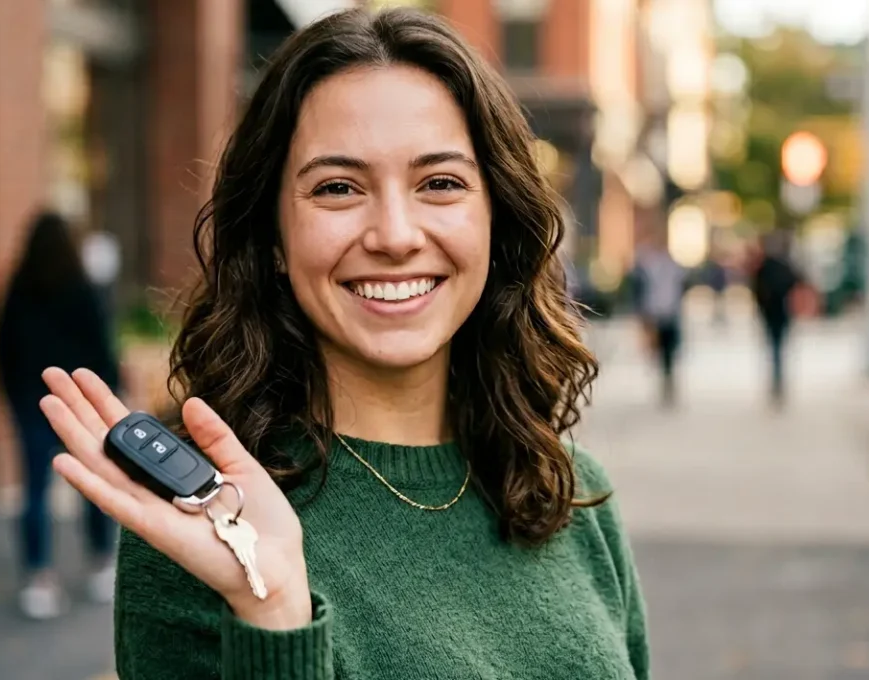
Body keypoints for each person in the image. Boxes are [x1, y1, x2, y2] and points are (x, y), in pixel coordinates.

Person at [36, 8, 649, 679]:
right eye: (337, 188)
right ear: (272, 236)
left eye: (439, 183)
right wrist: (270, 615)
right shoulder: (209, 522)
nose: (394, 234)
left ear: (495, 217)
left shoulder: (568, 485)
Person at [0, 210, 122, 620]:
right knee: (93, 485)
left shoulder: (18, 290)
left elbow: (1, 348)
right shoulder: (82, 288)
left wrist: (13, 396)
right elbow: (102, 347)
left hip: (33, 403)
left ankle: (38, 578)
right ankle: (102, 562)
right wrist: (111, 396)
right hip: (80, 404)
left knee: (34, 491)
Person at [629, 238, 689, 407]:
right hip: (655, 314)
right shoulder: (647, 267)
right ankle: (665, 380)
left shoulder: (674, 268)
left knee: (671, 349)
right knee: (660, 351)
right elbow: (639, 291)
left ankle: (669, 380)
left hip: (671, 313)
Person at [750, 231, 802, 407]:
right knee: (778, 348)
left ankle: (777, 381)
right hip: (780, 313)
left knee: (775, 348)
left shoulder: (766, 267)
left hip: (773, 313)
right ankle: (778, 381)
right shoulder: (782, 265)